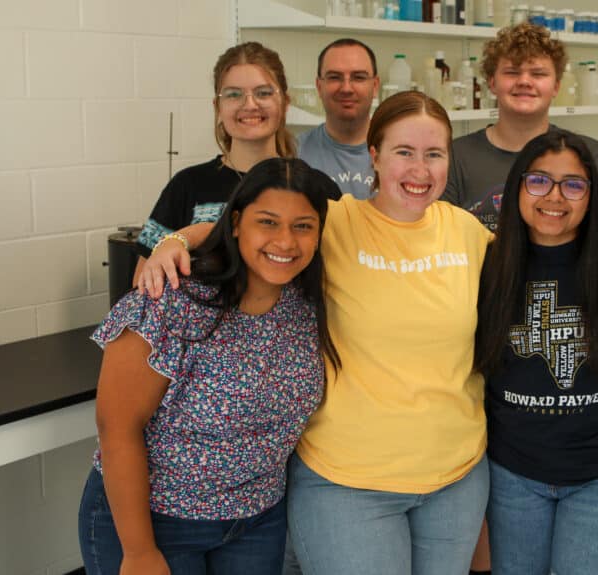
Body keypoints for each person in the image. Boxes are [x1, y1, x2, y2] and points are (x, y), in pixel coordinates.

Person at [139, 91, 494, 575]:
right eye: (403, 153)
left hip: (456, 476)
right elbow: (245, 224)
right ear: (374, 155)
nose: (420, 170)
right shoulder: (337, 221)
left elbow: (540, 259)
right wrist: (175, 241)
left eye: (434, 154)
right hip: (347, 480)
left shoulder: (468, 231)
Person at [77, 158, 341, 574]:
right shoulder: (173, 298)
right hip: (157, 523)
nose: (286, 241)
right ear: (236, 223)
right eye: (268, 222)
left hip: (258, 521)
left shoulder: (307, 303)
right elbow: (117, 429)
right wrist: (139, 551)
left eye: (303, 226)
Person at [475, 129, 598, 575]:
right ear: (516, 187)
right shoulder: (485, 265)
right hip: (513, 473)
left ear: (592, 197)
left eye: (573, 184)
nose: (554, 196)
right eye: (538, 181)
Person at [133, 42, 335, 277]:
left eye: (264, 93)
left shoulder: (317, 187)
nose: (249, 104)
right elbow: (142, 282)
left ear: (285, 103)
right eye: (233, 94)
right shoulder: (187, 185)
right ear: (218, 107)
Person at [443, 22, 598, 233]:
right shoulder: (455, 156)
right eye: (512, 72)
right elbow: (439, 237)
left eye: (538, 74)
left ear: (556, 86)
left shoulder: (587, 152)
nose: (524, 81)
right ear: (492, 83)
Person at [296, 38, 379, 199]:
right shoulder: (294, 152)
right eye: (334, 77)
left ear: (375, 86)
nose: (346, 88)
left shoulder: (402, 152)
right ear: (319, 87)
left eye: (358, 77)